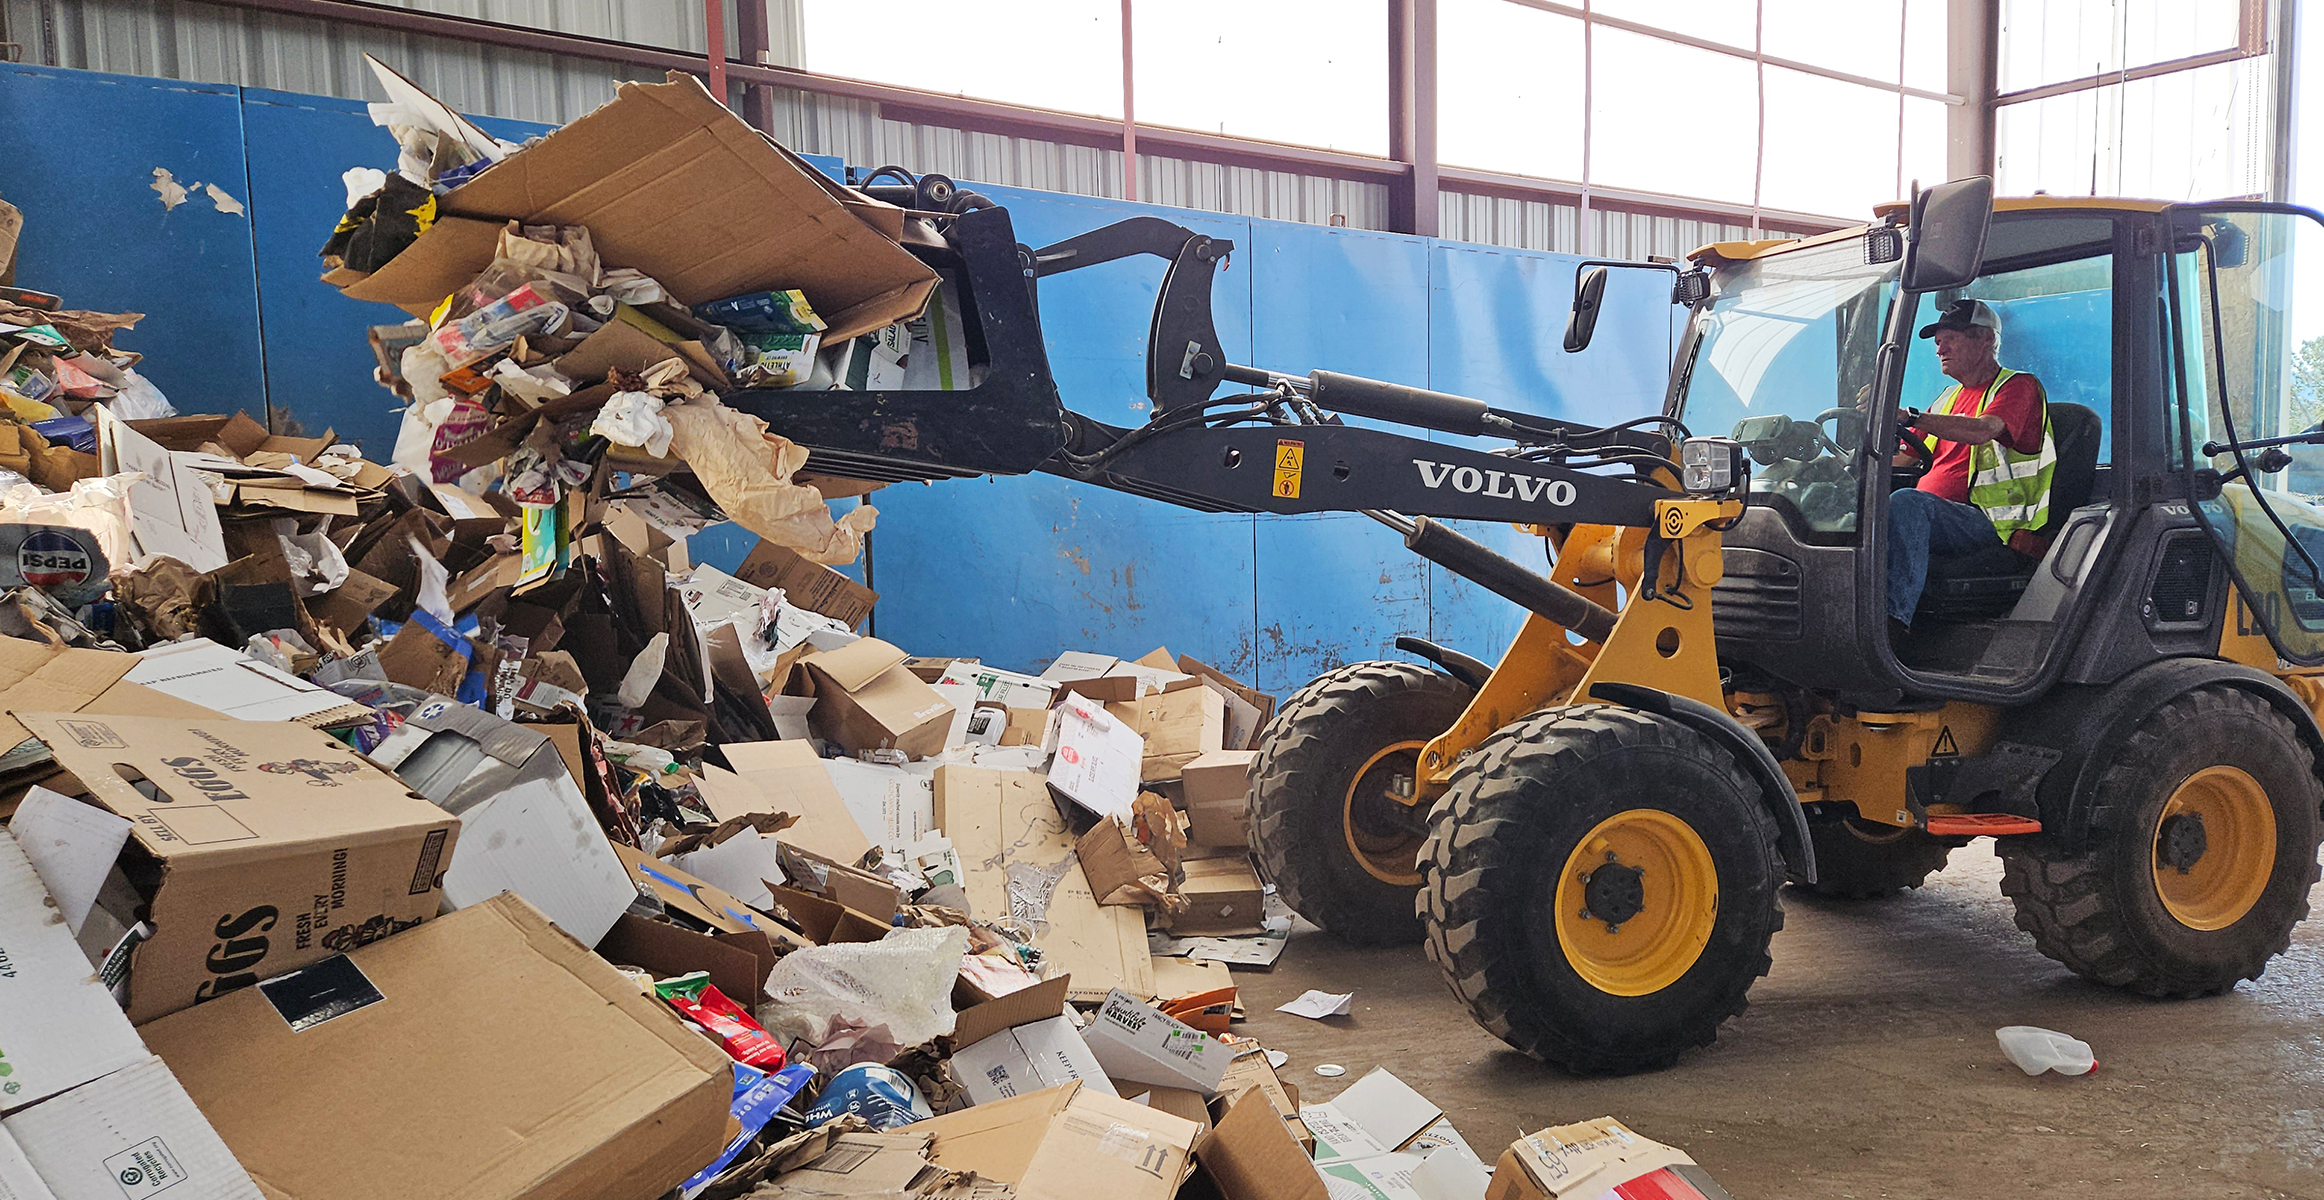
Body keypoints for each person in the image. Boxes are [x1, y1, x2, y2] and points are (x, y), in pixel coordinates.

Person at [1886, 298, 2055, 636]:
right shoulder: (1947, 398)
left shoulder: (2018, 386)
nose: (1940, 349)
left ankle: (1891, 624)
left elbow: (1984, 430)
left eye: (1951, 338)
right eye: (1937, 342)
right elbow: (1903, 458)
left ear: (1986, 339)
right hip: (1940, 517)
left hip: (1993, 523)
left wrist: (1913, 416)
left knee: (1908, 503)